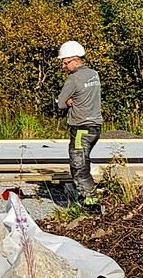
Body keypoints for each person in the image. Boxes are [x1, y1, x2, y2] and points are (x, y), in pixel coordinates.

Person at [56, 40, 102, 208]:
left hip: (81, 128)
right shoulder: (94, 74)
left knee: (79, 166)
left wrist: (67, 101)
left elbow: (60, 103)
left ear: (75, 60)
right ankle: (88, 197)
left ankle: (90, 203)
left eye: (66, 62)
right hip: (95, 126)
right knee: (84, 161)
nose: (64, 66)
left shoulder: (73, 79)